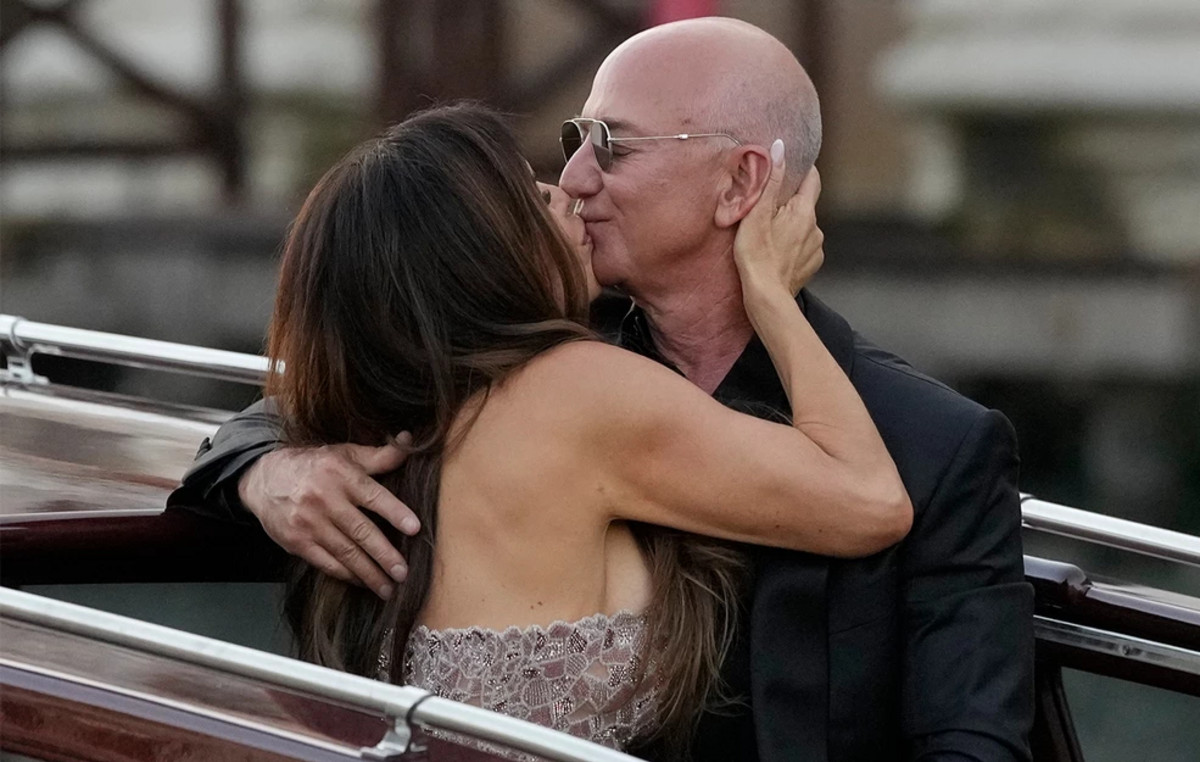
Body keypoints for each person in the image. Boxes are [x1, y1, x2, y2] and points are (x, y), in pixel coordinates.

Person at [170, 17, 1034, 762]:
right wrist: (269, 470)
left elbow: (972, 743)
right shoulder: (549, 365)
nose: (576, 180)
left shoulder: (935, 444)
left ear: (740, 184)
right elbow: (314, 395)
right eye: (574, 142)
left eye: (611, 146)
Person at [254, 102, 909, 755]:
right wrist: (769, 293)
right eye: (531, 197)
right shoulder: (576, 391)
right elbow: (870, 501)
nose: (566, 190)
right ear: (475, 253)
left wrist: (259, 469)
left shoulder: (365, 415)